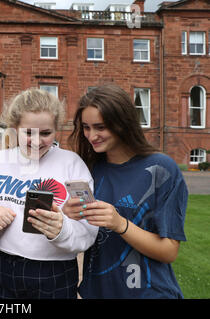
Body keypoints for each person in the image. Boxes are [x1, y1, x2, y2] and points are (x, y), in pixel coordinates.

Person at [64, 84, 188, 298]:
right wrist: (68, 215)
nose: (91, 136)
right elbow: (82, 237)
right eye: (86, 127)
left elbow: (169, 251)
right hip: (96, 292)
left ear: (123, 123)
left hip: (149, 292)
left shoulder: (162, 169)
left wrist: (120, 224)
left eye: (100, 127)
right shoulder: (88, 169)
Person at [0, 88, 98, 299]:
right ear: (15, 128)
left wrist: (61, 229)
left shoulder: (71, 164)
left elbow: (88, 230)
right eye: (28, 132)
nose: (36, 141)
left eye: (45, 133)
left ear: (56, 130)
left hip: (53, 272)